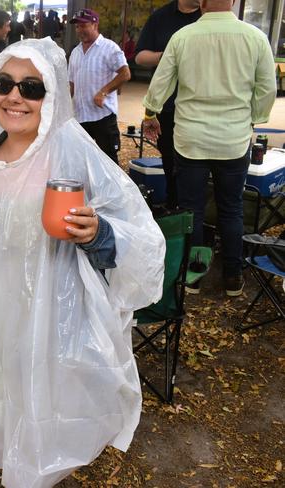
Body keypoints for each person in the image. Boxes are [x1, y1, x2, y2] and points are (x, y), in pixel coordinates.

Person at [0, 37, 165, 488]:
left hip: (48, 325)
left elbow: (137, 232)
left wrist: (98, 233)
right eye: (4, 83)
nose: (15, 96)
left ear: (52, 97)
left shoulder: (71, 153)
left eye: (32, 87)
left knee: (37, 426)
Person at [142, 0, 276, 297]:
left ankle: (193, 276)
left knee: (193, 209)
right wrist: (252, 118)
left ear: (202, 3)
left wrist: (150, 112)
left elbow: (161, 82)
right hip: (233, 139)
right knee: (232, 209)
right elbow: (268, 89)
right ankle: (232, 277)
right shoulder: (255, 37)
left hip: (191, 138)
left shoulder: (183, 37)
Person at [135, 0, 202, 208]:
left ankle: (196, 214)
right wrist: (168, 56)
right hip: (168, 105)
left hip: (200, 107)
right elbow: (139, 57)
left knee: (198, 167)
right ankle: (175, 209)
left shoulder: (209, 16)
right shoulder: (160, 17)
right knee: (170, 162)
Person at [68, 9, 131, 165]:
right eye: (77, 27)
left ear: (95, 25)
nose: (79, 30)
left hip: (102, 117)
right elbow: (71, 83)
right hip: (81, 116)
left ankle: (113, 189)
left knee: (108, 161)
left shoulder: (109, 48)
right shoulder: (75, 52)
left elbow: (125, 73)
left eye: (84, 26)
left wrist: (104, 92)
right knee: (82, 161)